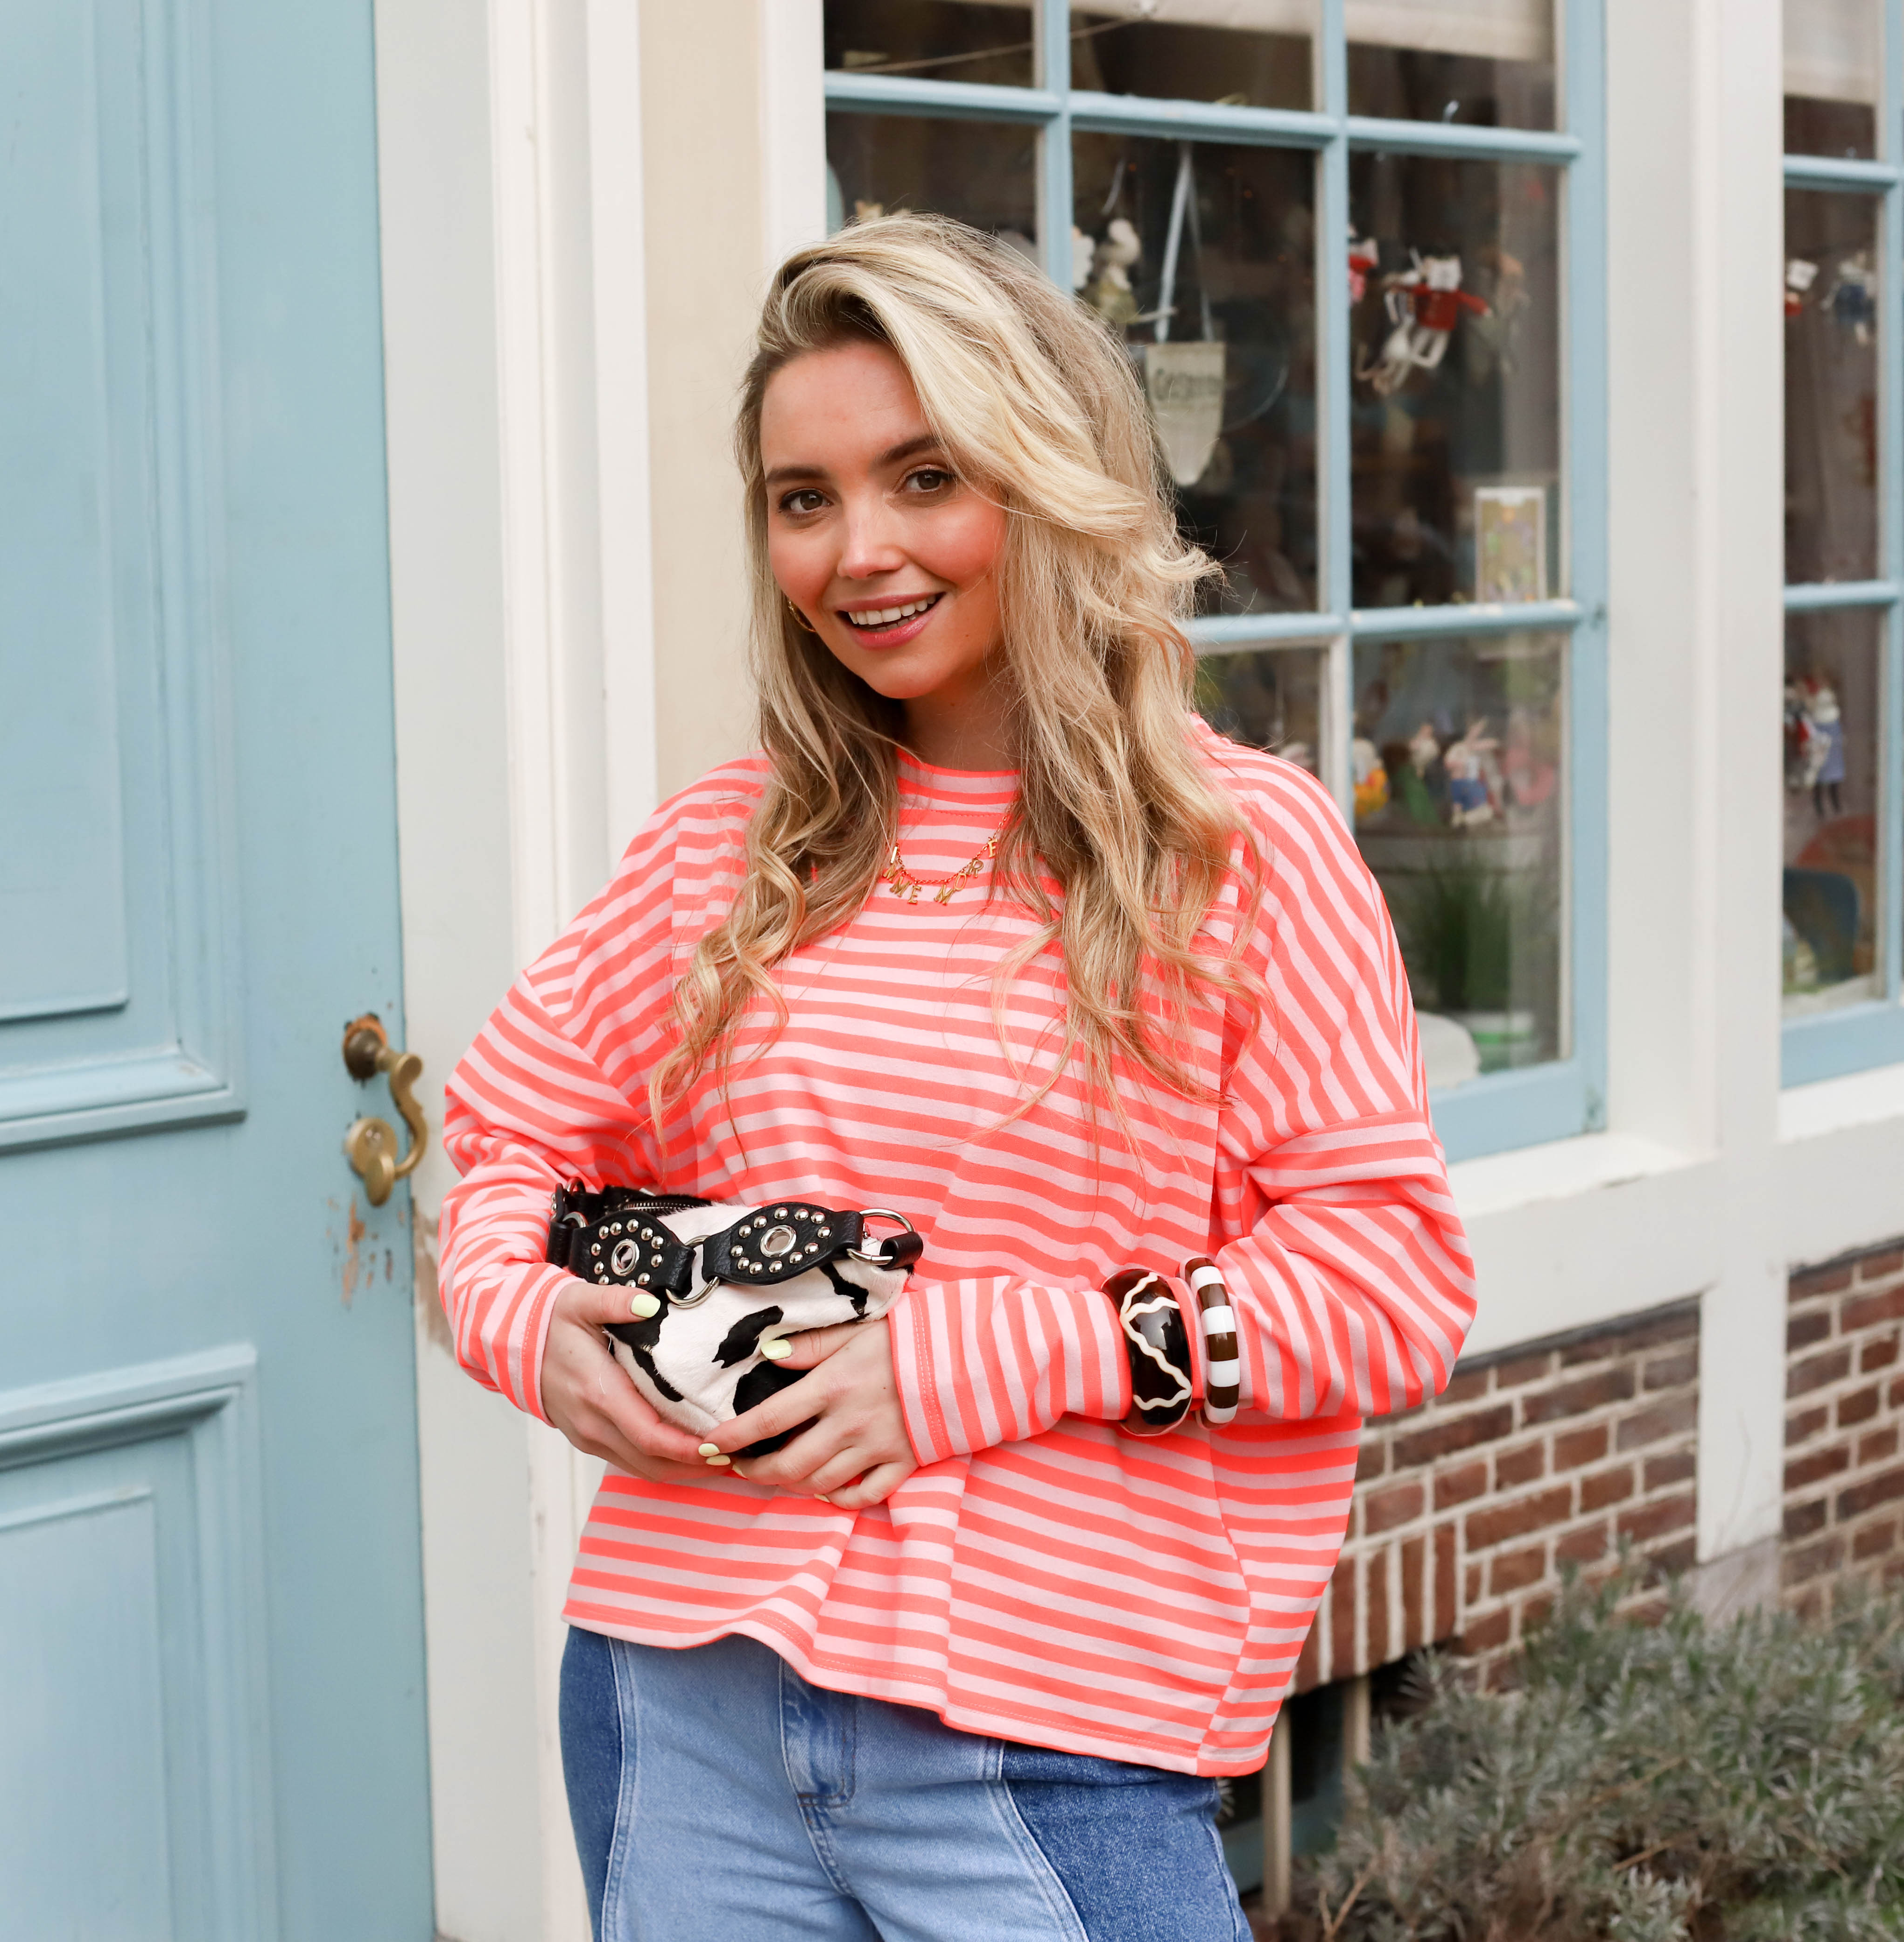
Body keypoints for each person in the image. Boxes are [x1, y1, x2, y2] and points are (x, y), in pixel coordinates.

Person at [438, 213, 1475, 1942]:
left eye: (925, 477)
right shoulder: (724, 848)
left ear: (1048, 479)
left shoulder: (1240, 852)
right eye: (804, 498)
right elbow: (503, 1140)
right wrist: (518, 1318)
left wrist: (975, 1360)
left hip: (1052, 1733)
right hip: (679, 1700)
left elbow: (1388, 1294)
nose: (860, 552)